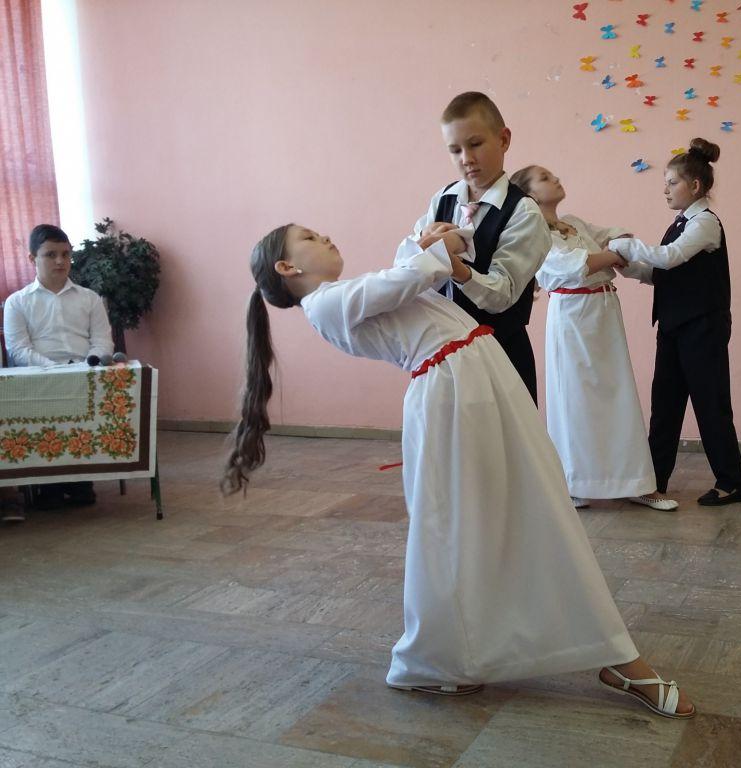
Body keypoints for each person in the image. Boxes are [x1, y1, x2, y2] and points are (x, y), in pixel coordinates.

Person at [223, 223, 695, 719]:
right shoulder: (324, 305)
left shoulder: (350, 292)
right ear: (287, 267)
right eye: (309, 238)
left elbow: (408, 273)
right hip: (453, 394)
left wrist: (434, 242)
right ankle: (454, 657)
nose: (325, 238)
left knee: (522, 510)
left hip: (473, 380)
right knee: (461, 528)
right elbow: (407, 277)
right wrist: (435, 249)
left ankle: (541, 649)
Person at [509, 164, 676, 511]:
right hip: (572, 316)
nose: (556, 178)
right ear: (530, 195)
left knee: (619, 395)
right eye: (545, 178)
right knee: (575, 398)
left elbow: (615, 236)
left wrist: (616, 247)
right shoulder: (532, 234)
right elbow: (573, 266)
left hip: (603, 311)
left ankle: (636, 482)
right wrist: (614, 254)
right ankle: (574, 483)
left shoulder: (574, 222)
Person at [609, 139, 741, 507]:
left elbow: (669, 258)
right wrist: (629, 268)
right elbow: (664, 272)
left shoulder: (705, 224)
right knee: (665, 405)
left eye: (672, 182)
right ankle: (653, 481)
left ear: (696, 186)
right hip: (674, 327)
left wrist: (627, 245)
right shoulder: (680, 223)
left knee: (711, 404)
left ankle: (733, 482)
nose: (665, 190)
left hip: (703, 328)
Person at [410, 91, 551, 402]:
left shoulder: (523, 212)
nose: (466, 159)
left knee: (503, 432)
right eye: (455, 150)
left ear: (503, 139)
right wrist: (424, 243)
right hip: (447, 348)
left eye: (475, 144)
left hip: (501, 352)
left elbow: (502, 295)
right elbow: (411, 259)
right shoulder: (443, 198)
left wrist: (456, 266)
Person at [2, 224, 113, 510]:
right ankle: (48, 485)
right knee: (43, 415)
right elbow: (18, 349)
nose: (60, 261)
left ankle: (81, 482)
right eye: (51, 255)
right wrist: (55, 369)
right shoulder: (17, 302)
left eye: (65, 254)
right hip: (38, 378)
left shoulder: (90, 298)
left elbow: (102, 342)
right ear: (32, 258)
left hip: (85, 374)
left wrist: (86, 366)